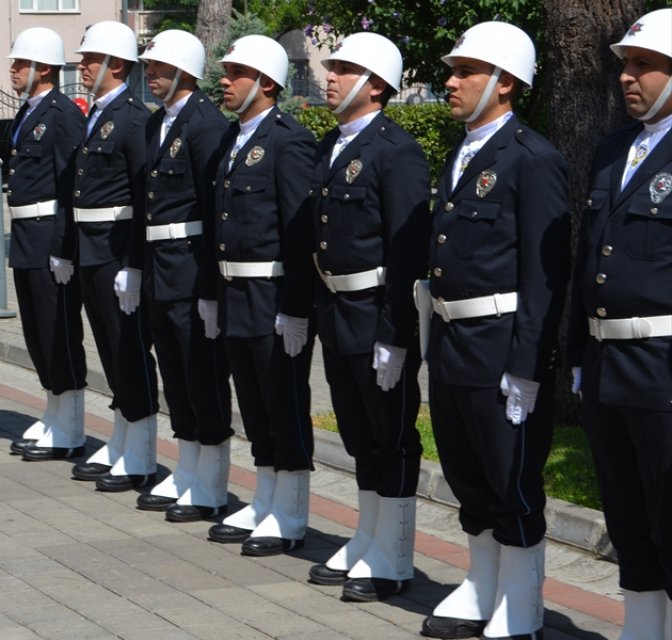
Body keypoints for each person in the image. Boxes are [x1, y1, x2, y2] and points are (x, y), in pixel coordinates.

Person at [420, 22, 570, 640]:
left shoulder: (532, 159)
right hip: (454, 340)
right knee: (466, 471)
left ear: (505, 83)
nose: (450, 83)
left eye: (466, 72)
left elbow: (545, 276)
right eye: (451, 71)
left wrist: (528, 367)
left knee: (512, 477)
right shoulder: (462, 153)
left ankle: (522, 602)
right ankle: (482, 584)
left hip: (502, 342)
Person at [300, 33, 431, 595]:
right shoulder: (333, 144)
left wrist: (396, 332)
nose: (329, 76)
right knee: (357, 433)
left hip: (377, 312)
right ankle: (368, 535)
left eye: (344, 68)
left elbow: (407, 252)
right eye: (331, 68)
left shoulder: (395, 151)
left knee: (390, 434)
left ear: (375, 84)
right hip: (337, 309)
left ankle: (395, 555)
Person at [569, 8, 672, 638]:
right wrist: (579, 355)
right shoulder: (614, 149)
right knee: (627, 514)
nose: (626, 78)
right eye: (624, 66)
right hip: (609, 364)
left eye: (642, 65)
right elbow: (592, 255)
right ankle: (641, 626)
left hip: (665, 364)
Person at [202, 35, 323, 558]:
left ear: (267, 83)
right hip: (235, 291)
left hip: (273, 296)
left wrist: (296, 307)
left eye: (236, 73)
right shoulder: (234, 139)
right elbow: (219, 224)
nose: (224, 81)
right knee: (253, 404)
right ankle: (266, 497)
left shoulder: (288, 141)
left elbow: (300, 232)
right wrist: (211, 290)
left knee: (284, 404)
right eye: (225, 72)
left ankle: (292, 512)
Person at [130, 29, 233, 523]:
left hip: (192, 266)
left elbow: (216, 214)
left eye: (159, 69)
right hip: (160, 266)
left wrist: (212, 286)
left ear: (185, 72)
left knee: (202, 374)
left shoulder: (205, 125)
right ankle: (188, 467)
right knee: (175, 372)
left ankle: (212, 482)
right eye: (148, 69)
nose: (151, 76)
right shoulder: (158, 125)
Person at [63, 21, 162, 492]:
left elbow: (144, 197)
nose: (82, 66)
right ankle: (122, 437)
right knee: (109, 348)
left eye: (90, 58)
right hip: (92, 248)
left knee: (129, 349)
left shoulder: (133, 118)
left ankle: (141, 451)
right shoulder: (98, 114)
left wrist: (134, 263)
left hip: (117, 247)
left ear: (116, 65)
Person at [0, 27, 90, 462]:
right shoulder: (28, 113)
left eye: (20, 63)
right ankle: (54, 412)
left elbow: (70, 186)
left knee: (59, 333)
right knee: (37, 333)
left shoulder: (63, 115)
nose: (13, 70)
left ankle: (71, 425)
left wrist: (63, 248)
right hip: (25, 238)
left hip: (49, 239)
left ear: (44, 67)